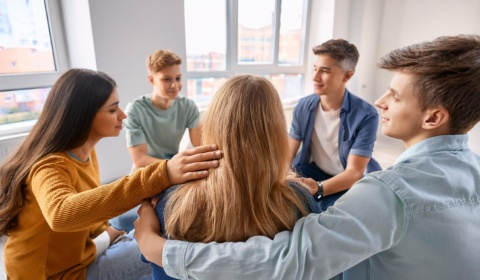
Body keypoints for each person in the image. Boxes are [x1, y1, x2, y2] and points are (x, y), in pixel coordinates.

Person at [134, 34, 480, 280]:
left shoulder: (385, 191)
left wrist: (158, 249)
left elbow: (287, 261)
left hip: (337, 181)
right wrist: (280, 184)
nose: (381, 101)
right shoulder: (474, 169)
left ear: (433, 117)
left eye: (394, 95)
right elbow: (287, 155)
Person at [0, 69, 220, 279]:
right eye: (113, 109)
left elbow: (88, 205)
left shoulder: (84, 152)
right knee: (168, 250)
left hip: (83, 253)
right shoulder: (50, 166)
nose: (122, 115)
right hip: (57, 275)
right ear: (83, 116)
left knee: (153, 223)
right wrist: (162, 174)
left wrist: (109, 233)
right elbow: (61, 215)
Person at [135, 75, 321, 279]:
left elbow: (158, 269)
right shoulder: (299, 203)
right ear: (276, 135)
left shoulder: (171, 202)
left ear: (212, 125)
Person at [289, 39, 381, 210]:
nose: (315, 77)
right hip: (311, 171)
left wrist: (319, 189)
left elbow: (354, 173)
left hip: (347, 181)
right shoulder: (303, 106)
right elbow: (288, 153)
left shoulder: (366, 115)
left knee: (326, 217)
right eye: (315, 69)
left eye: (324, 71)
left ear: (347, 76)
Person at [125, 49, 201, 170]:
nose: (175, 85)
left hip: (175, 168)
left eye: (178, 78)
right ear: (151, 80)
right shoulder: (135, 110)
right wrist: (175, 165)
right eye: (167, 79)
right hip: (146, 170)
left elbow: (199, 147)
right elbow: (139, 159)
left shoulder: (188, 107)